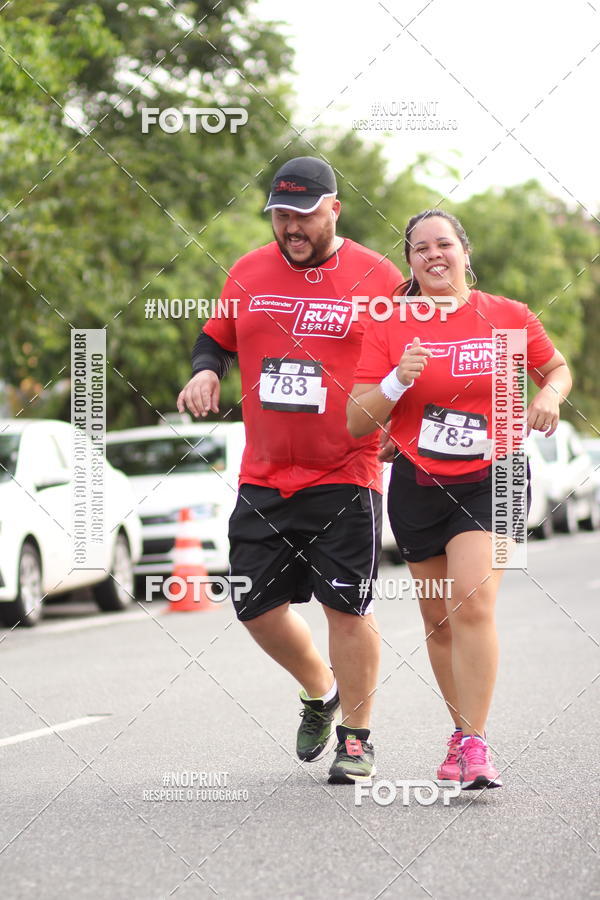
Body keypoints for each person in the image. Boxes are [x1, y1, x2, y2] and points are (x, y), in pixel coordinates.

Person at [177, 157, 403, 783]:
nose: (290, 228)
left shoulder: (378, 277)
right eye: (280, 215)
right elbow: (215, 338)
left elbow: (413, 362)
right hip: (265, 473)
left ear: (334, 209)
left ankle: (356, 739)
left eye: (303, 216)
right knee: (253, 604)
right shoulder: (248, 271)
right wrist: (204, 370)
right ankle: (320, 691)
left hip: (345, 470)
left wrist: (402, 431)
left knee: (347, 609)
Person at [347, 209, 572, 790]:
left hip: (493, 475)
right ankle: (460, 732)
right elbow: (356, 422)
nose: (432, 255)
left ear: (465, 252)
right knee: (438, 619)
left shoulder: (506, 316)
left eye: (442, 244)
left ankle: (475, 742)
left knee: (471, 602)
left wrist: (548, 395)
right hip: (419, 482)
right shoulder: (390, 323)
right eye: (419, 248)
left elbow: (557, 368)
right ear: (410, 262)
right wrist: (397, 379)